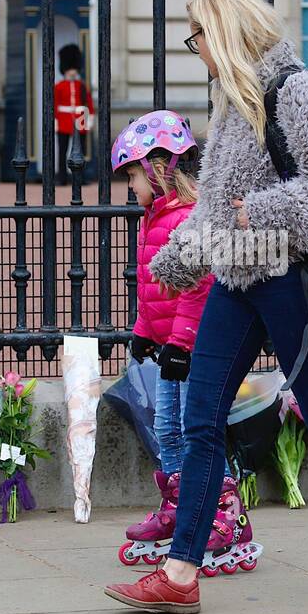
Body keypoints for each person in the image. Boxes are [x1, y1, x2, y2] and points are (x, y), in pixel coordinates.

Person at [104, 0, 308, 614]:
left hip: (292, 280)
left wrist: (260, 211)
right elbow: (216, 209)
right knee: (201, 420)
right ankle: (181, 574)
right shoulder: (234, 103)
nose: (198, 52)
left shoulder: (298, 92)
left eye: (198, 38)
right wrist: (178, 259)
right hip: (238, 281)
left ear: (224, 33)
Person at [110, 112, 216, 557]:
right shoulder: (156, 216)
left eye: (133, 175)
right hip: (168, 346)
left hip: (188, 349)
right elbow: (153, 286)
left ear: (159, 169)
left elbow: (199, 286)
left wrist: (180, 343)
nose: (131, 187)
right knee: (167, 429)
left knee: (196, 432)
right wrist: (143, 333)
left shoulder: (188, 217)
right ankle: (178, 507)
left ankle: (226, 515)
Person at [53, 43, 94, 185]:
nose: (72, 72)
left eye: (74, 68)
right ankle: (61, 177)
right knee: (62, 150)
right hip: (64, 120)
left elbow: (88, 103)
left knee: (79, 151)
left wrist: (89, 120)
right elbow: (54, 105)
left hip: (79, 119)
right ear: (64, 69)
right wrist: (55, 121)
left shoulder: (81, 85)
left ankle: (79, 177)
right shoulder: (58, 86)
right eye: (70, 68)